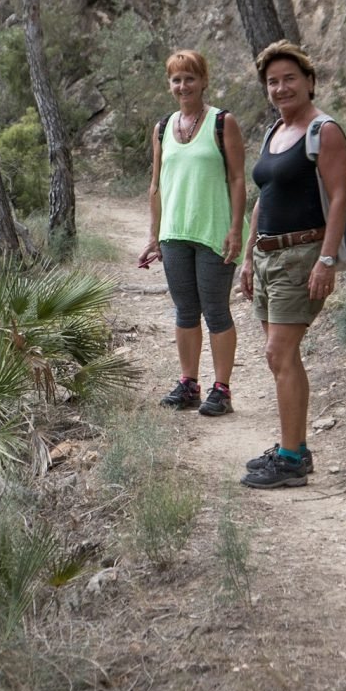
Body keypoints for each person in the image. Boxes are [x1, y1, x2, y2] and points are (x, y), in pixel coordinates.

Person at [238, 41, 346, 488]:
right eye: (272, 82)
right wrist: (248, 255)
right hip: (267, 256)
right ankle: (295, 449)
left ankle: (288, 461)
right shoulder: (274, 132)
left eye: (289, 79)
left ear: (309, 81)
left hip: (301, 255)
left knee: (278, 353)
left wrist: (327, 259)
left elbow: (339, 198)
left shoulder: (325, 131)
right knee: (282, 357)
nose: (281, 88)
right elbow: (263, 198)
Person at [137, 50, 246, 417]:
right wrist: (154, 236)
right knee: (185, 310)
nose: (183, 86)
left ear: (203, 81)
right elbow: (156, 185)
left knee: (216, 310)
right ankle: (189, 384)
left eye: (190, 78)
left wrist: (236, 229)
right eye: (176, 79)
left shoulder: (222, 122)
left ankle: (222, 389)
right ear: (169, 85)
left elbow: (237, 179)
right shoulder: (162, 128)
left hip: (214, 231)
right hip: (175, 233)